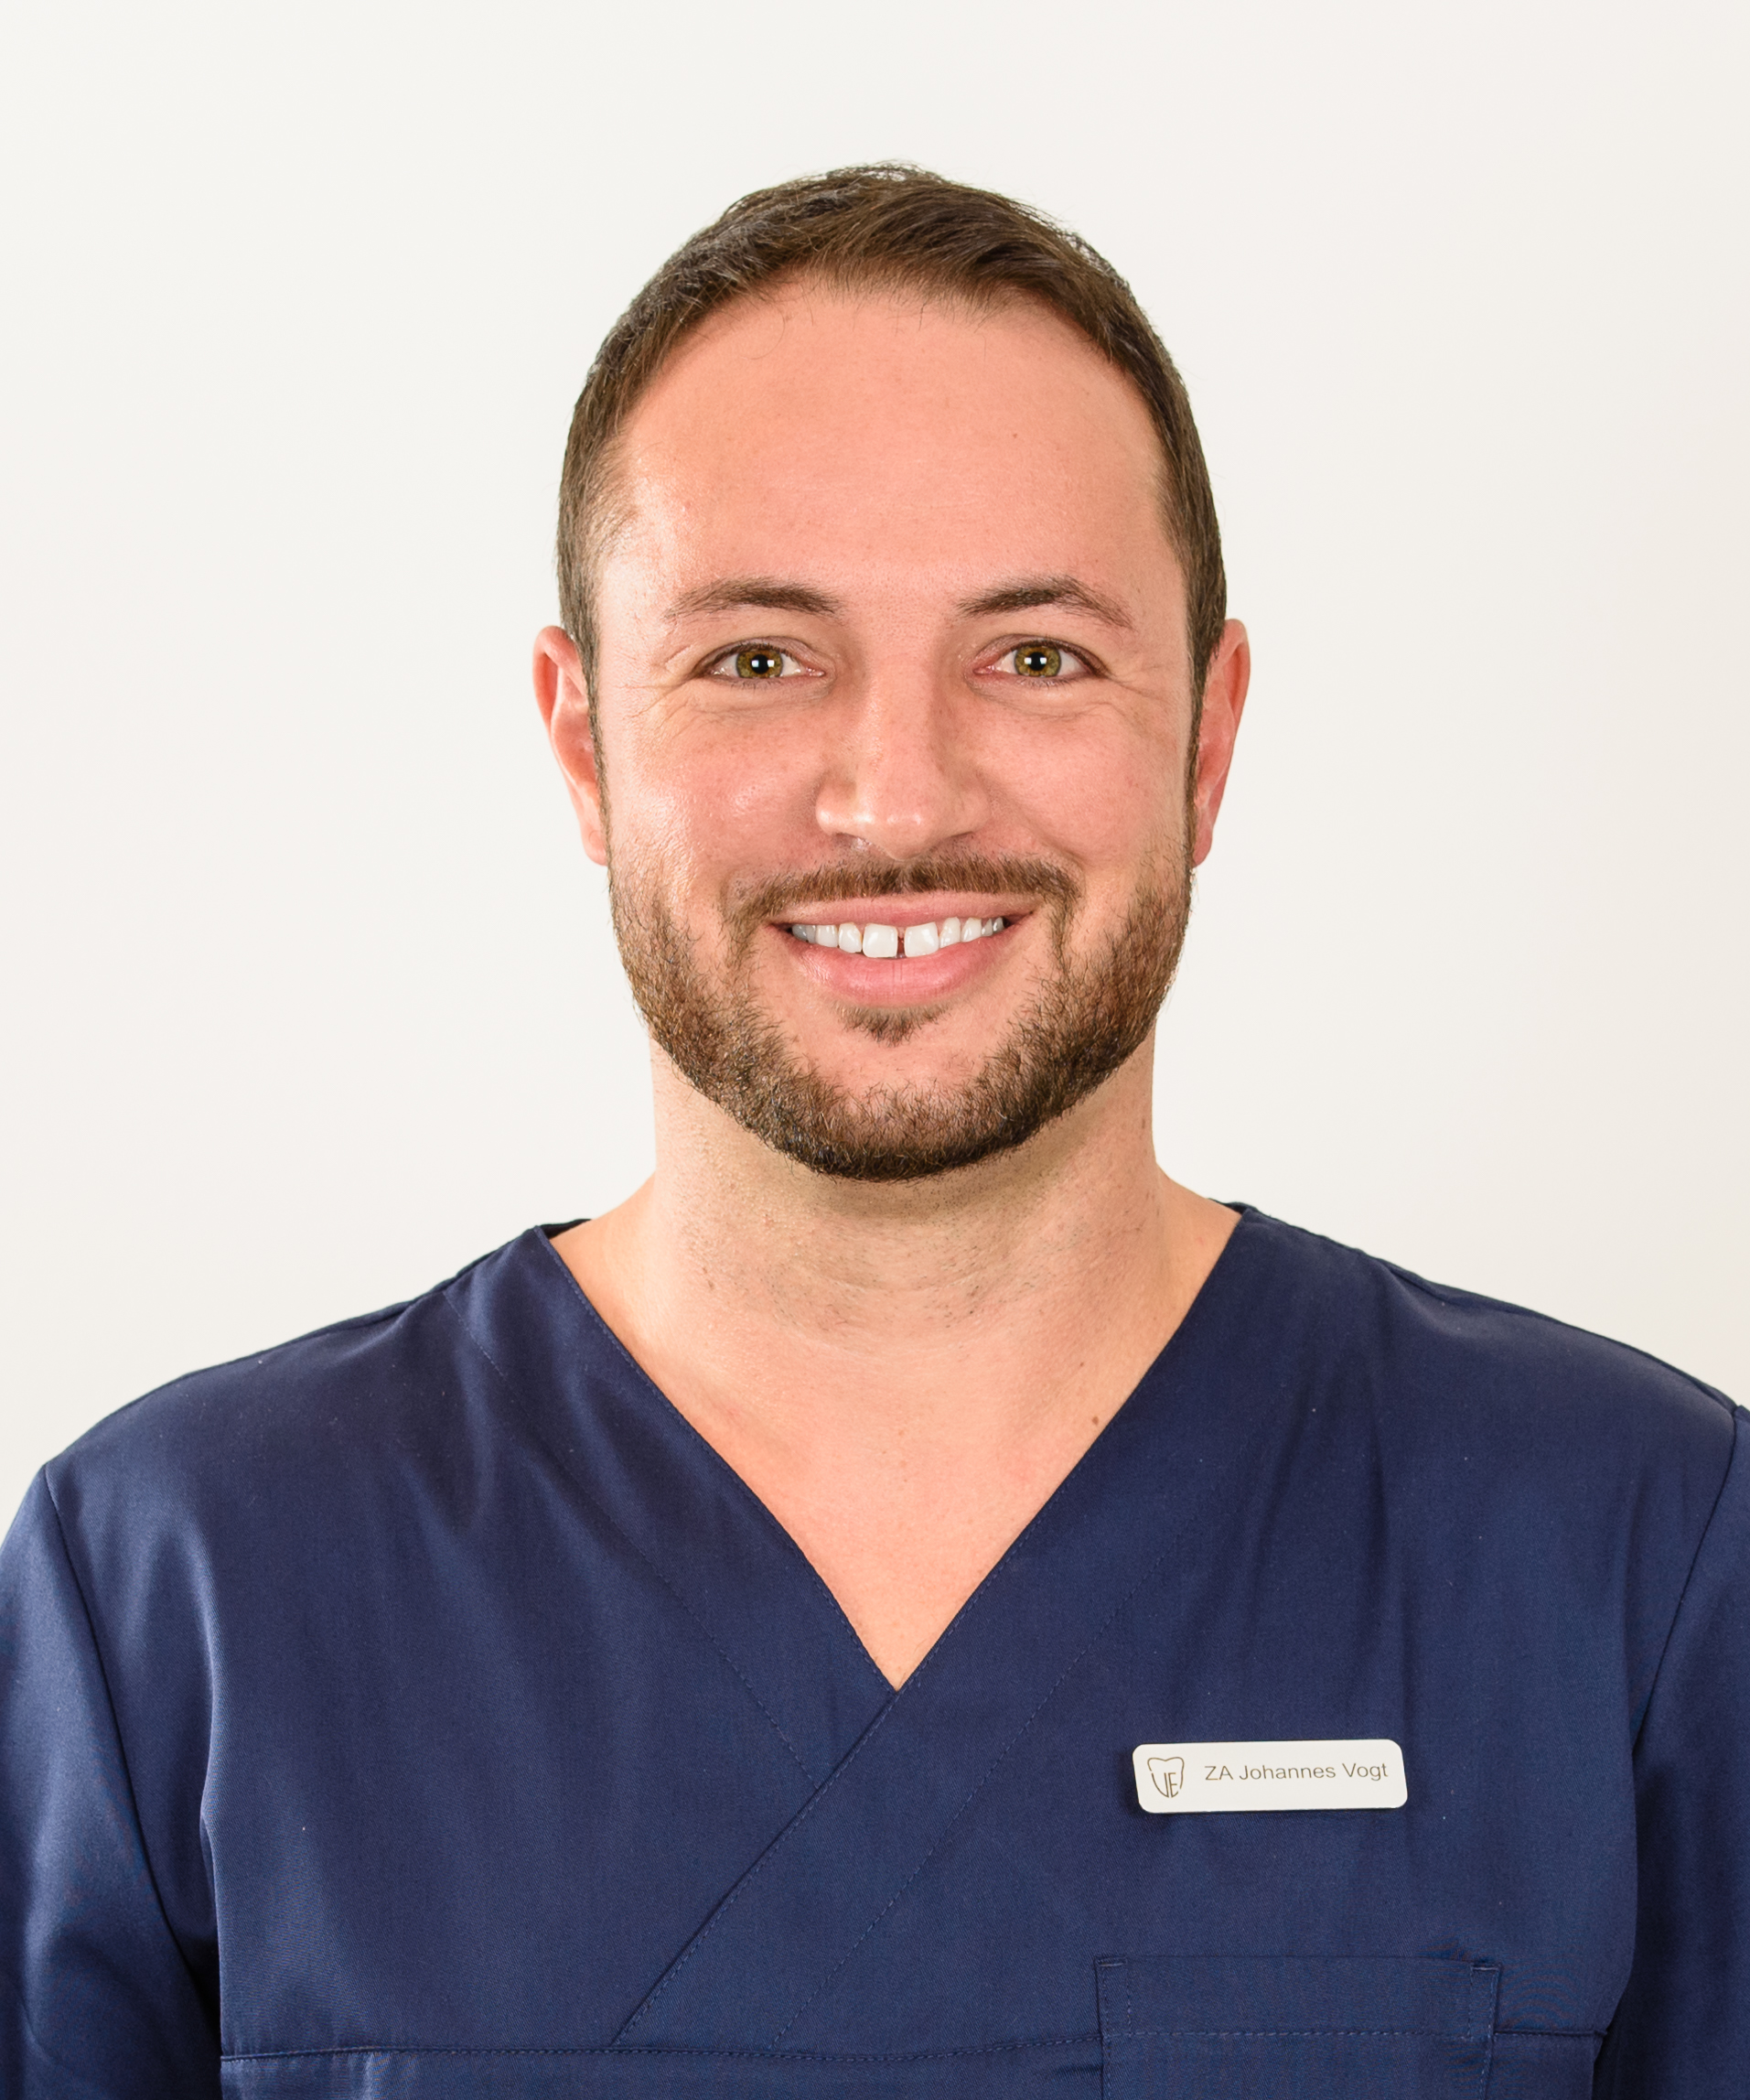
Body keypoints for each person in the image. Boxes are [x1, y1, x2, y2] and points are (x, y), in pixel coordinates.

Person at [2, 166, 1745, 2100]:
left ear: (1207, 736)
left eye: (1036, 654)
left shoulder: (1635, 1559)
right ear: (584, 743)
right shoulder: (182, 1587)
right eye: (758, 658)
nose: (897, 796)